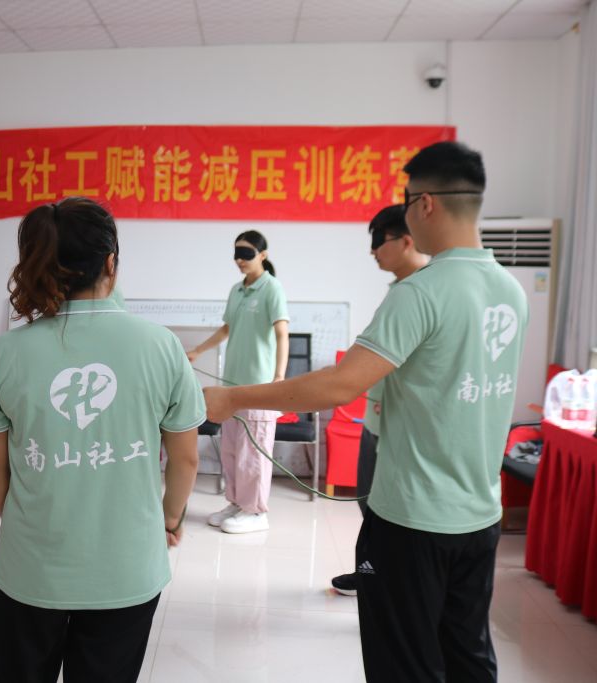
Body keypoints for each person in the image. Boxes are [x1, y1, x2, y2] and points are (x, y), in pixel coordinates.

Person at [204, 141, 527, 682]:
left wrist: (235, 397)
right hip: (480, 516)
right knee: (467, 655)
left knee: (404, 663)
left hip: (414, 520)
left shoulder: (420, 294)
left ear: (425, 204)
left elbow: (338, 385)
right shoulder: (510, 291)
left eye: (406, 202)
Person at [0, 197, 204, 683]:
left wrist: (29, 526)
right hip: (127, 567)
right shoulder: (162, 346)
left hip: (31, 567)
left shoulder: (5, 353)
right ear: (110, 263)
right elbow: (184, 460)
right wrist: (167, 521)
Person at [330, 204, 429, 598]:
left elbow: (343, 381)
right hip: (376, 421)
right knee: (368, 502)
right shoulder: (398, 292)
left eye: (378, 241)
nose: (372, 251)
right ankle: (370, 572)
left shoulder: (423, 294)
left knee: (390, 514)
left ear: (406, 240)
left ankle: (384, 580)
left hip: (402, 432)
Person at [186, 230, 288, 533]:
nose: (239, 260)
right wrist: (198, 351)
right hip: (232, 386)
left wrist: (279, 378)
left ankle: (255, 512)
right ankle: (236, 503)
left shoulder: (272, 289)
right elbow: (226, 329)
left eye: (246, 254)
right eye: (236, 254)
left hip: (259, 386)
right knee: (232, 449)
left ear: (263, 256)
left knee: (253, 451)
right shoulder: (237, 290)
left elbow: (282, 334)